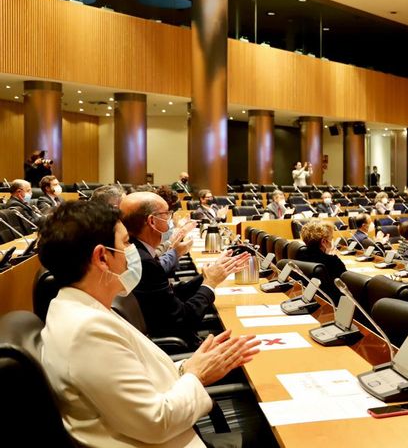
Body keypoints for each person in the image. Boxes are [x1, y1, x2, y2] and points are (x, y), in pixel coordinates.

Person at [37, 200, 259, 448]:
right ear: (102, 257)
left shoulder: (83, 308)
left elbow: (140, 380)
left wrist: (188, 366)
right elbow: (156, 422)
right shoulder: (85, 331)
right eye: (125, 242)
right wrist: (197, 374)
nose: (132, 251)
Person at [121, 192, 248, 347]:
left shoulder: (140, 251)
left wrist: (207, 276)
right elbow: (184, 320)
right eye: (166, 214)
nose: (169, 220)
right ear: (152, 221)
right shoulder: (143, 261)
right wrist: (210, 285)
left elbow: (168, 295)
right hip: (175, 346)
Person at [297, 221, 348, 304]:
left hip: (313, 300)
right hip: (333, 305)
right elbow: (345, 281)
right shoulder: (332, 262)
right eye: (331, 238)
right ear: (324, 242)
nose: (332, 241)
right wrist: (334, 257)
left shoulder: (300, 254)